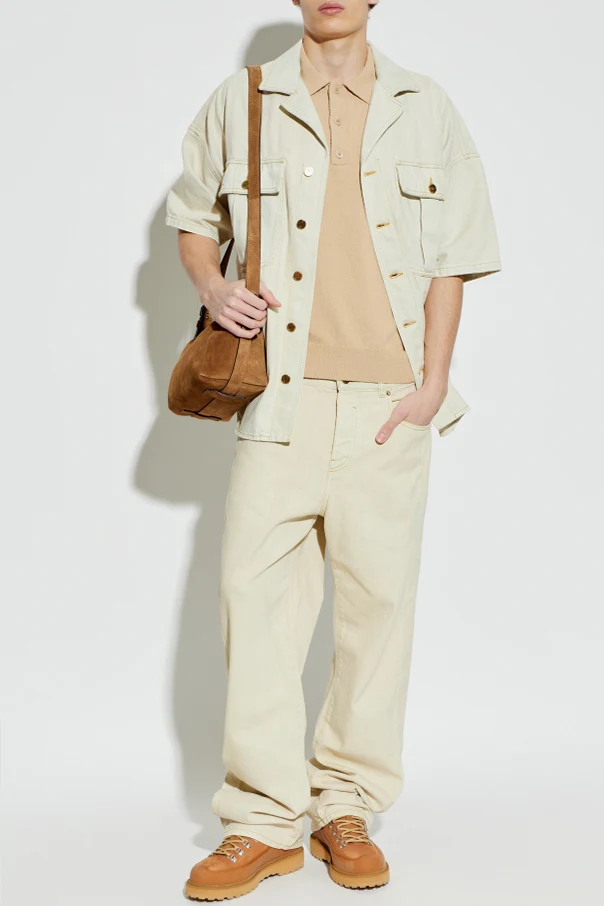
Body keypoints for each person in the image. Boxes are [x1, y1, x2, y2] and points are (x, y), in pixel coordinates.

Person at [165, 0, 501, 898]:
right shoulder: (244, 98)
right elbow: (193, 218)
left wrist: (431, 384)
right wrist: (215, 286)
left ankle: (344, 805)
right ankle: (262, 821)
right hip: (279, 398)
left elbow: (454, 258)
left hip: (391, 406)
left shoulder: (425, 105)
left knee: (376, 614)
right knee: (255, 606)